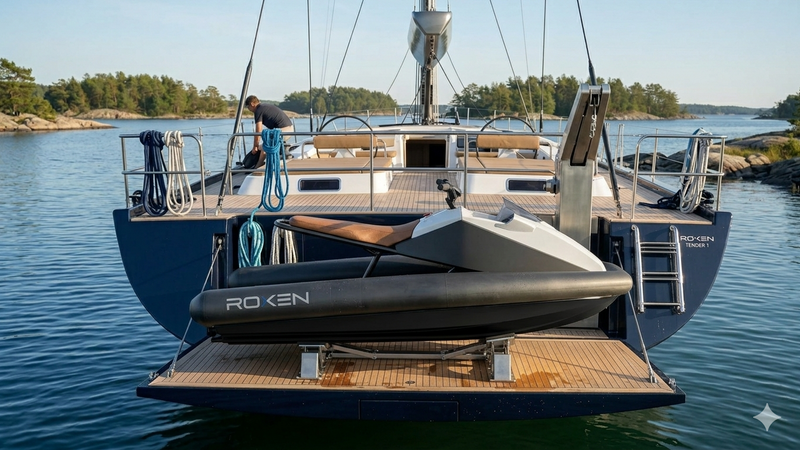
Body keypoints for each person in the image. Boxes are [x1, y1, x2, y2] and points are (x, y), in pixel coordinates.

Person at [245, 95, 294, 167]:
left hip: (284, 130)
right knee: (266, 143)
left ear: (252, 104)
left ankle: (259, 164)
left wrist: (255, 146)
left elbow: (258, 131)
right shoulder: (263, 107)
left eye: (248, 107)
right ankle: (263, 161)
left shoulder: (258, 110)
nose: (248, 109)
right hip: (289, 129)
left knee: (266, 145)